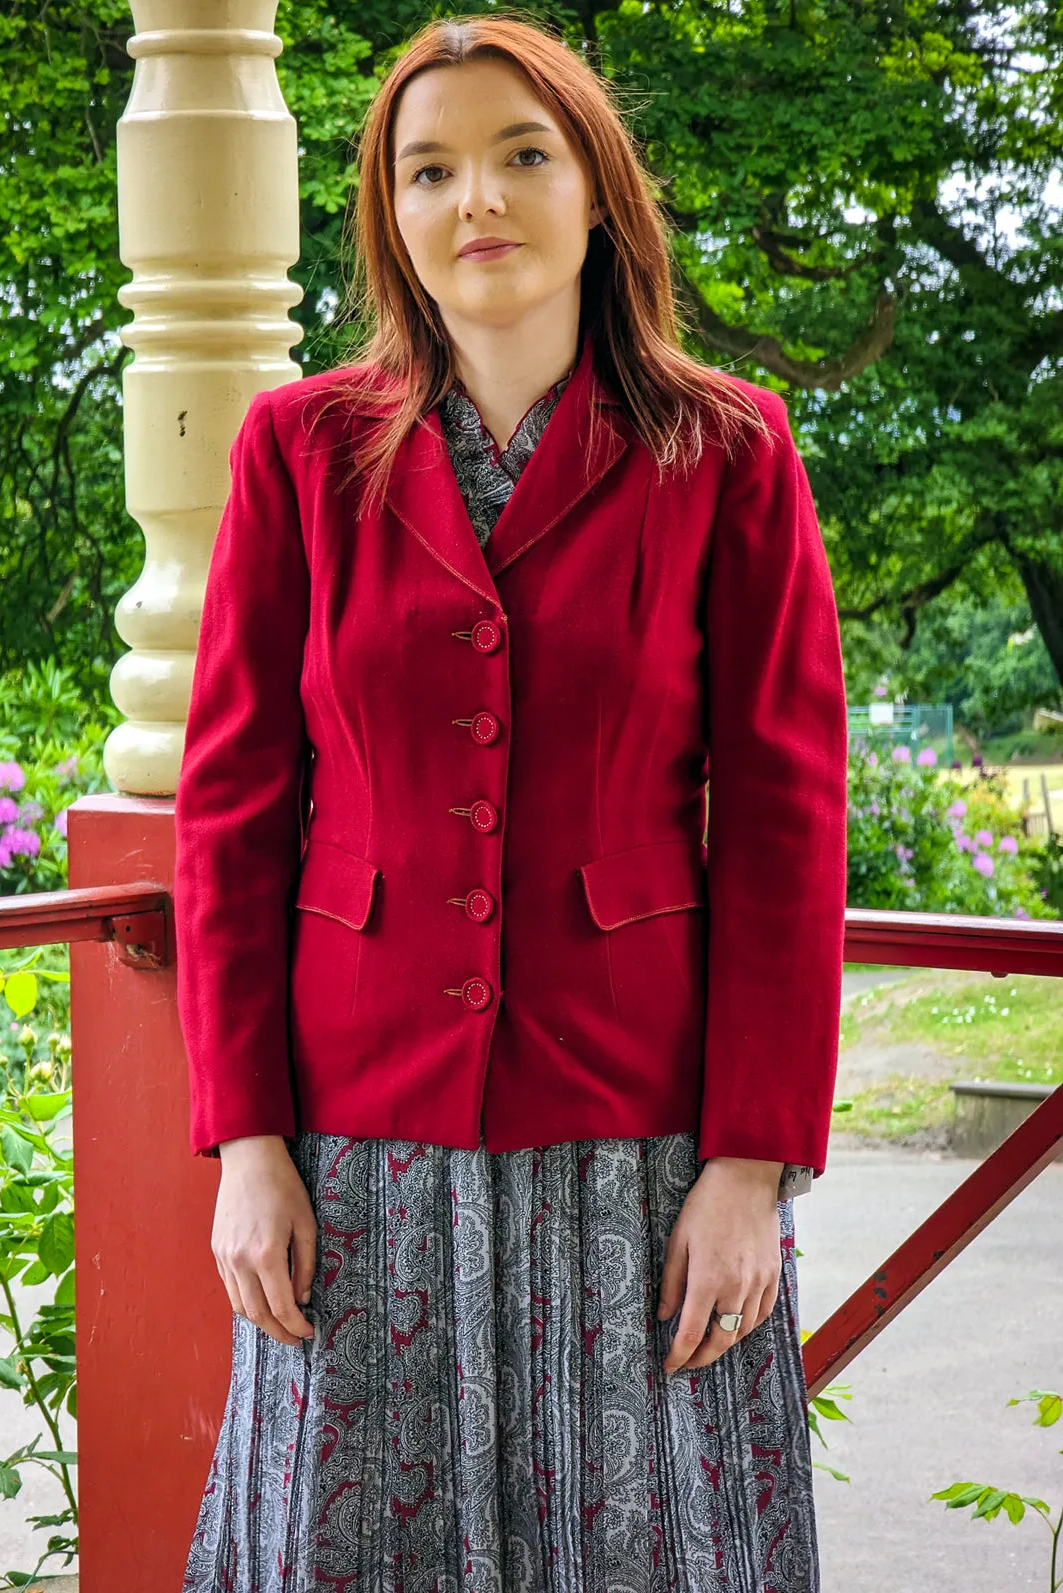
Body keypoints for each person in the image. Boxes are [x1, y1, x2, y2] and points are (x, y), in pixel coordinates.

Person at [175, 13, 846, 1591]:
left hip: (643, 1138)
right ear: (392, 219)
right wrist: (247, 1143)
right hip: (355, 1141)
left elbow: (784, 814)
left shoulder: (728, 448)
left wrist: (752, 1166)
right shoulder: (300, 450)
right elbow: (233, 806)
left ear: (598, 193)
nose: (476, 197)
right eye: (430, 170)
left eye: (521, 156)